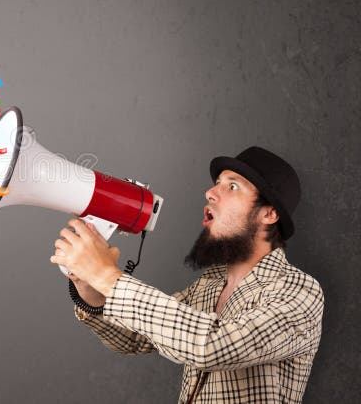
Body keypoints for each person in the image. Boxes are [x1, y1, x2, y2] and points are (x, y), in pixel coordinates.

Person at [51, 146, 324, 403]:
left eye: (232, 186)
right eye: (217, 182)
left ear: (269, 213)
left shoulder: (299, 291)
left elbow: (212, 346)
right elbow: (135, 338)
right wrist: (89, 287)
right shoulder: (208, 285)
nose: (210, 192)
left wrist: (106, 276)